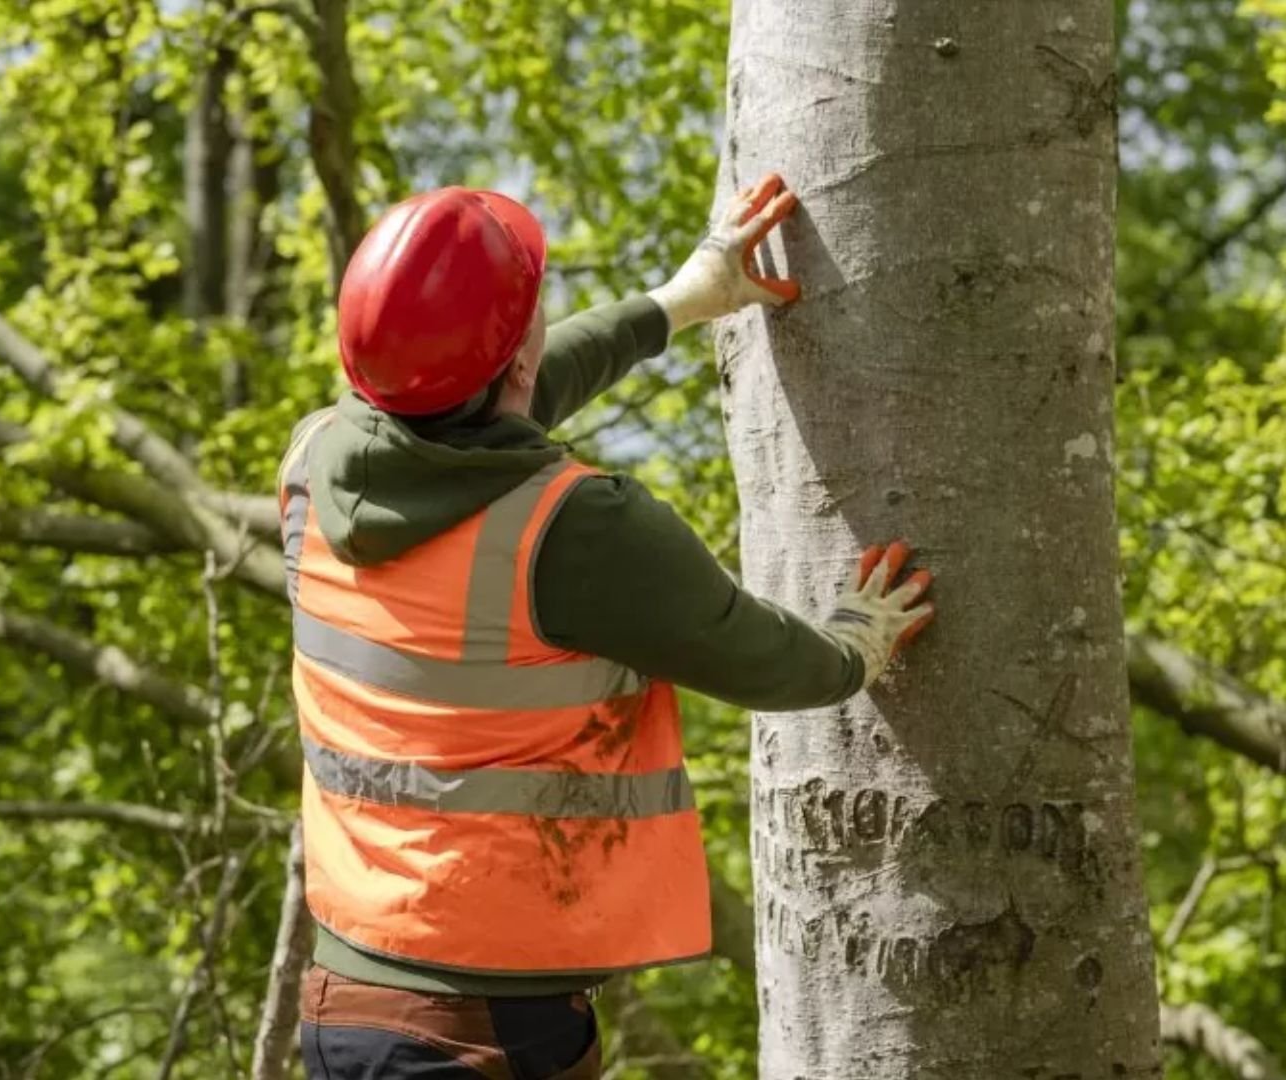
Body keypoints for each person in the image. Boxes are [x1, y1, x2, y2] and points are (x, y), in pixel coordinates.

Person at [279, 175, 934, 1080]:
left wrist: (678, 303)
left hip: (341, 1001)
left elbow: (489, 413)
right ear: (514, 363)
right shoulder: (571, 528)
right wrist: (854, 644)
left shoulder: (318, 467)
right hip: (480, 1034)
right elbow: (768, 660)